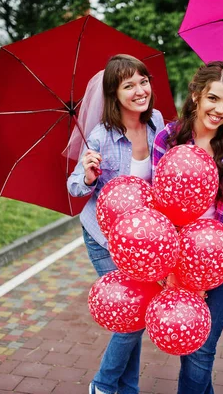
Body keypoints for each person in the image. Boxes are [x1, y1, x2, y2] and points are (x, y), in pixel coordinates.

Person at [152, 61, 223, 394]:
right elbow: (159, 202)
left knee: (201, 349)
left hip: (222, 257)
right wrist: (172, 268)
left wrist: (202, 274)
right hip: (175, 255)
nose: (220, 110)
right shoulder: (168, 138)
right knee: (188, 343)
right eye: (214, 98)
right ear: (196, 95)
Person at [67, 54, 165, 394]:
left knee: (134, 313)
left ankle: (127, 389)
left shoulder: (156, 121)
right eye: (129, 85)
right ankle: (103, 384)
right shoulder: (101, 136)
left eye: (143, 81)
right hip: (105, 238)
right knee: (133, 313)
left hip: (142, 242)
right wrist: (91, 175)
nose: (140, 90)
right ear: (114, 93)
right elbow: (74, 185)